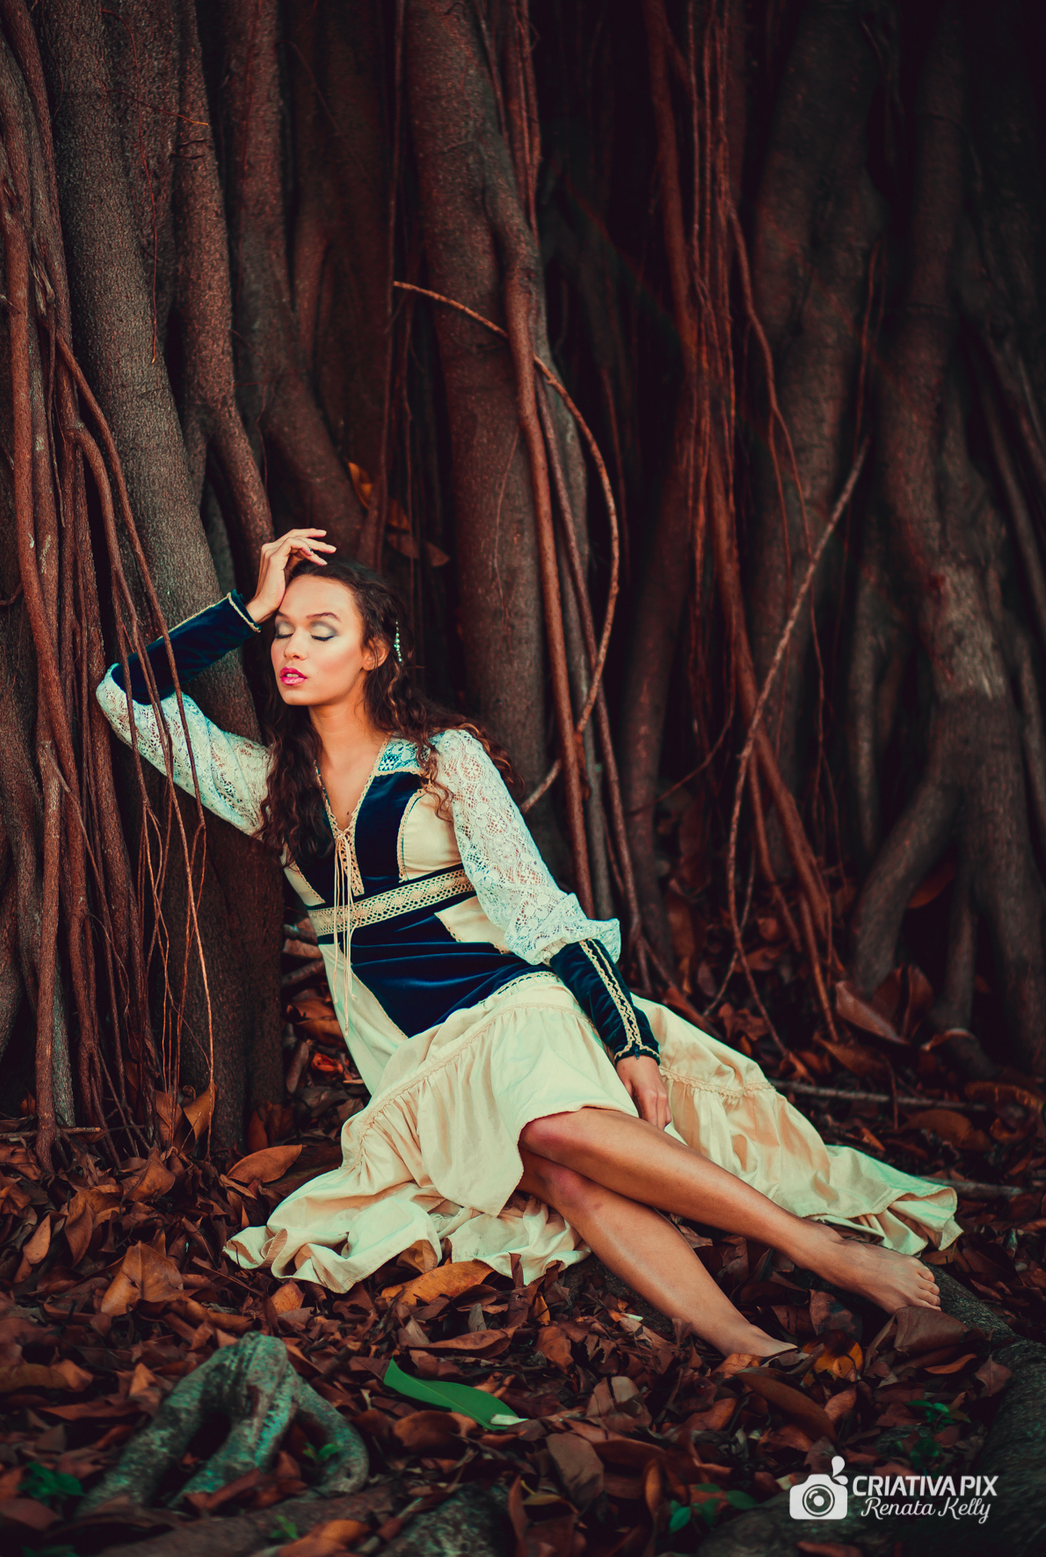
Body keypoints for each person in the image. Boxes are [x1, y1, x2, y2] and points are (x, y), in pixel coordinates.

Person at [97, 527, 960, 1363]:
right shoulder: (266, 785)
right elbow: (122, 696)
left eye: (323, 630)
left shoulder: (442, 760)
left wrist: (629, 1042)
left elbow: (541, 913)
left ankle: (818, 1248)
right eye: (284, 631)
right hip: (409, 1053)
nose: (293, 647)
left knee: (546, 1124)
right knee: (564, 1178)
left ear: (373, 652)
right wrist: (247, 609)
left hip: (510, 1007)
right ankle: (752, 1347)